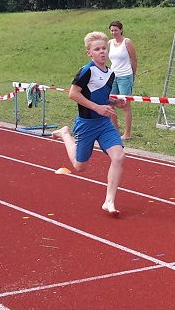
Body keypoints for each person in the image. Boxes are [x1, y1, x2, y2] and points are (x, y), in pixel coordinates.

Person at [52, 31, 129, 216]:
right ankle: (65, 134)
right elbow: (73, 94)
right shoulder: (87, 70)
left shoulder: (111, 73)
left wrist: (113, 102)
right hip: (86, 124)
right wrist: (97, 108)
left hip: (104, 124)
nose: (101, 52)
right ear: (89, 53)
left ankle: (109, 201)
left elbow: (100, 96)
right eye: (97, 49)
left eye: (104, 48)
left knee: (119, 157)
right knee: (80, 167)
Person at [108, 20, 137, 140]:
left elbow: (134, 59)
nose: (114, 32)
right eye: (112, 30)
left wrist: (133, 75)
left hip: (125, 75)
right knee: (110, 103)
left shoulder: (127, 42)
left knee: (125, 105)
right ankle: (115, 131)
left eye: (116, 30)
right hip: (113, 76)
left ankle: (127, 133)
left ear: (121, 30)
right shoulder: (110, 43)